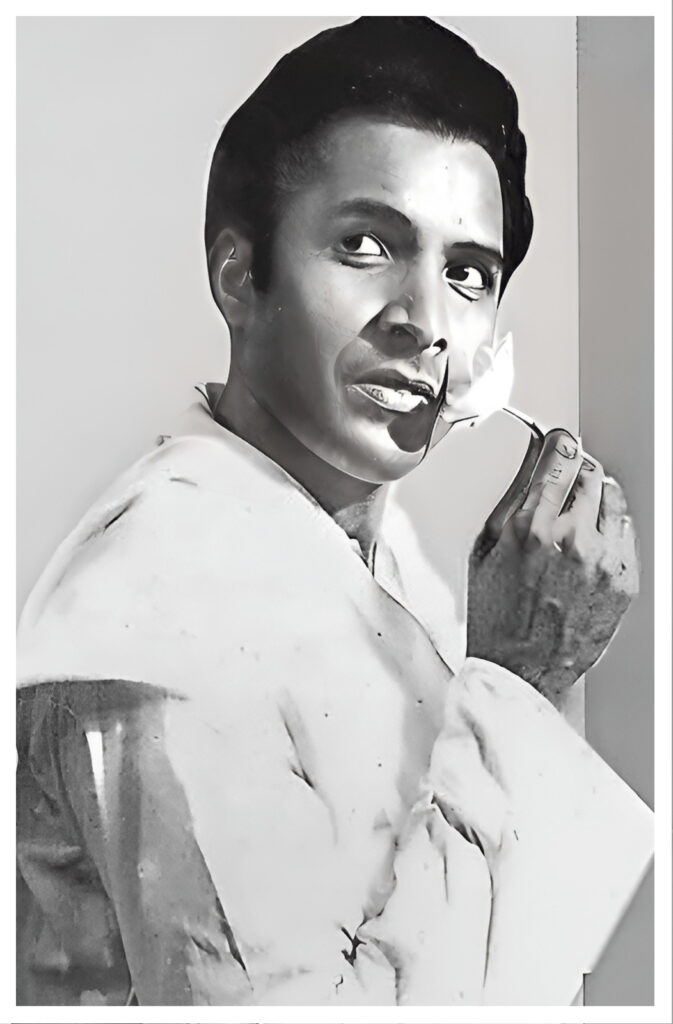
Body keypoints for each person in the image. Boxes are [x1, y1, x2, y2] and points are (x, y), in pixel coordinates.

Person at [16, 16, 653, 1007]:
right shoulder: (162, 609)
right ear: (238, 276)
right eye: (365, 244)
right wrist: (520, 686)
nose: (425, 322)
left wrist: (528, 684)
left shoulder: (376, 555)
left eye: (467, 273)